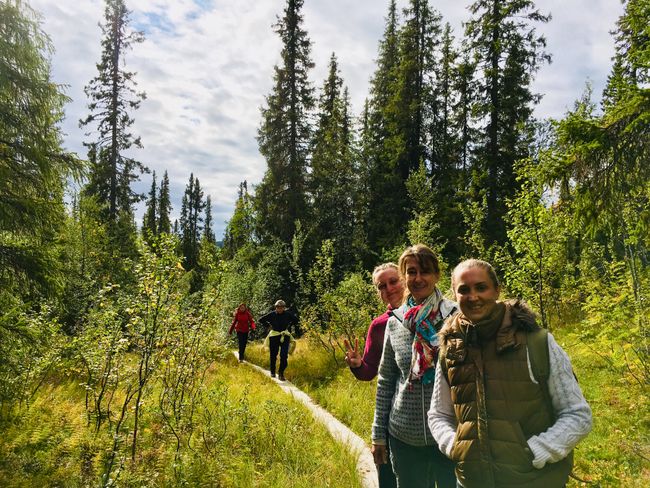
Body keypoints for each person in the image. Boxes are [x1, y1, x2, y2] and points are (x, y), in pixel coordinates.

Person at [428, 259, 592, 488]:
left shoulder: (536, 342)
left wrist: (534, 452)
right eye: (464, 290)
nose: (473, 296)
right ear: (454, 295)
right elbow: (438, 414)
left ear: (497, 290)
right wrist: (455, 447)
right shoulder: (450, 348)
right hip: (471, 481)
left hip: (534, 481)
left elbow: (577, 415)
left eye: (481, 287)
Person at [372, 244, 457, 488]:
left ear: (437, 275)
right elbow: (386, 379)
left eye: (425, 271)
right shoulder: (396, 322)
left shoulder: (456, 316)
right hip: (404, 436)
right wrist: (378, 434)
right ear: (404, 276)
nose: (418, 278)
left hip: (450, 435)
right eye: (411, 272)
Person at [344, 262, 403, 488]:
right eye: (382, 286)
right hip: (393, 414)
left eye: (393, 281)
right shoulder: (379, 325)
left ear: (404, 280)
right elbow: (369, 371)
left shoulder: (429, 316)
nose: (389, 288)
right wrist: (358, 365)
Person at [259, 299, 298, 381]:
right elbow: (261, 320)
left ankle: (281, 373)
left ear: (284, 307)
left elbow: (296, 320)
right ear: (275, 307)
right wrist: (269, 326)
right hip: (274, 336)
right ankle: (272, 371)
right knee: (273, 355)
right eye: (278, 307)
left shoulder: (288, 314)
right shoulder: (272, 314)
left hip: (285, 335)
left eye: (282, 307)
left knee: (284, 356)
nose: (280, 309)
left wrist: (289, 326)